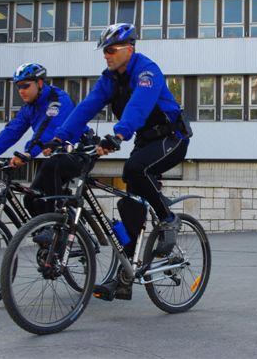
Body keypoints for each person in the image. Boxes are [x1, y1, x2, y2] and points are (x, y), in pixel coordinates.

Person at [53, 23, 192, 300]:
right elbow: (86, 107)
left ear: (129, 49)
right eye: (105, 50)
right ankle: (125, 278)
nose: (107, 55)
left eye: (112, 50)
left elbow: (138, 106)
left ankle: (168, 218)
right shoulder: (109, 79)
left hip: (171, 139)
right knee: (130, 206)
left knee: (134, 169)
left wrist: (118, 134)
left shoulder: (147, 71)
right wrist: (60, 137)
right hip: (145, 141)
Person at [0, 62, 76, 216]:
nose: (21, 91)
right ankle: (45, 235)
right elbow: (11, 131)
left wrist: (28, 153)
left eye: (25, 86)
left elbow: (47, 128)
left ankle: (55, 228)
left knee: (49, 172)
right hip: (55, 155)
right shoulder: (29, 108)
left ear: (39, 83)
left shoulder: (58, 99)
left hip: (78, 151)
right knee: (30, 198)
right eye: (18, 86)